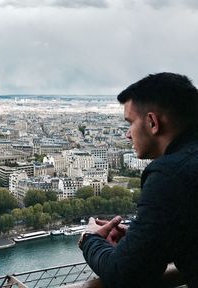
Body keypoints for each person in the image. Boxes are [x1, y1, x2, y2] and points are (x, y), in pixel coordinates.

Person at [78, 72, 198, 288]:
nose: (127, 134)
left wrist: (90, 240)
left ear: (152, 122)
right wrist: (141, 236)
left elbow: (126, 275)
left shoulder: (169, 175)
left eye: (130, 122)